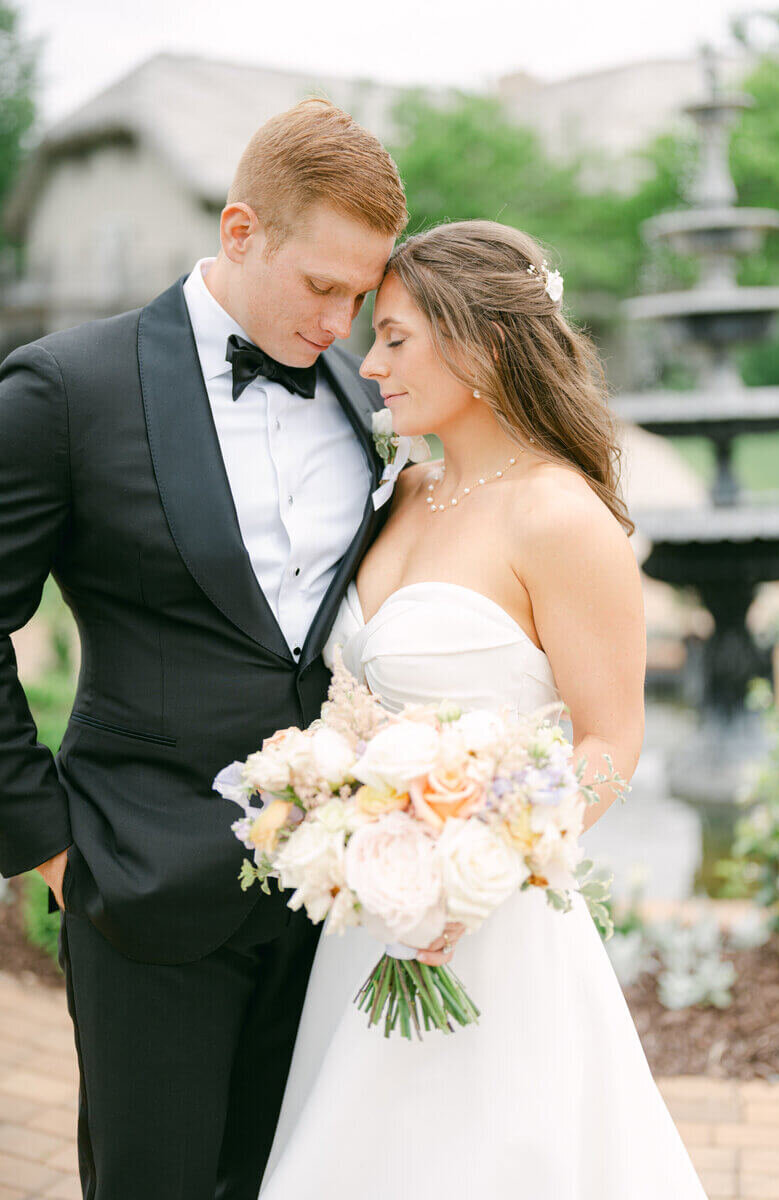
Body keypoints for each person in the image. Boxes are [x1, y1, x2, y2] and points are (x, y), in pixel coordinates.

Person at [0, 99, 406, 1199]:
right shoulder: (64, 390)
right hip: (141, 883)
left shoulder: (359, 402)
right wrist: (49, 845)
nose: (341, 323)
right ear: (239, 232)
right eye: (321, 286)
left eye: (362, 298)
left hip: (335, 902)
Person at [258, 221, 710, 1199]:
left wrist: (480, 871)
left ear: (483, 342)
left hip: (489, 934)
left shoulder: (559, 517)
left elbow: (609, 741)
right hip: (362, 923)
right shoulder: (404, 490)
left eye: (395, 337)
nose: (369, 365)